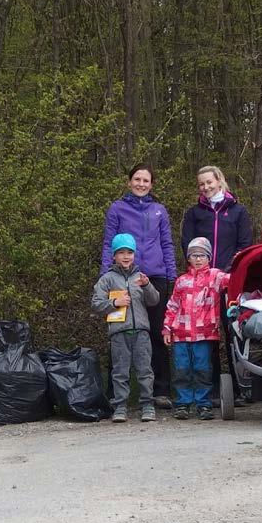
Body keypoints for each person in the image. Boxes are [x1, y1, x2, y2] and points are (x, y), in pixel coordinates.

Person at [101, 163, 177, 409]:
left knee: (156, 333)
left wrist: (171, 276)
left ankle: (161, 391)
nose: (141, 184)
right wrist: (106, 275)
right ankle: (116, 395)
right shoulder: (117, 208)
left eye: (146, 180)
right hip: (121, 277)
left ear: (151, 184)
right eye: (137, 179)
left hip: (154, 277)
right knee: (118, 333)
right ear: (129, 182)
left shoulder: (159, 210)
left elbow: (166, 242)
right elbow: (108, 242)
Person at [179, 165, 253, 406]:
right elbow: (188, 247)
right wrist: (202, 273)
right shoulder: (194, 214)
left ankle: (241, 388)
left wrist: (229, 272)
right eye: (201, 184)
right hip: (201, 285)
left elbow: (245, 245)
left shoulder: (238, 211)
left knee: (234, 333)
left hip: (229, 282)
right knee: (205, 337)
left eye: (209, 182)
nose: (206, 187)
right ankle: (208, 391)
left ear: (219, 181)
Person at [92, 233, 161, 423]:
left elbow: (154, 300)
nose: (125, 256)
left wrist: (147, 285)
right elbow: (96, 304)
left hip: (141, 333)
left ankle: (147, 405)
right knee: (120, 372)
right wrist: (115, 302)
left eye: (129, 252)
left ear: (134, 254)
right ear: (114, 256)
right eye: (121, 252)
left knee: (145, 370)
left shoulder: (141, 277)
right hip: (119, 334)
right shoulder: (107, 279)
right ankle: (120, 406)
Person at [162, 237, 228, 421]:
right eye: (194, 255)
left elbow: (234, 280)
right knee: (181, 369)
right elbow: (173, 305)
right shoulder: (181, 281)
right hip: (181, 333)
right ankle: (182, 403)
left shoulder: (216, 276)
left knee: (202, 368)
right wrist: (167, 328)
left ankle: (203, 404)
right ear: (188, 258)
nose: (198, 259)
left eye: (202, 255)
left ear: (209, 257)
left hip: (204, 333)